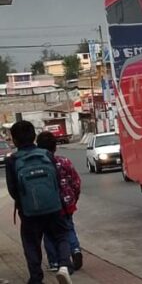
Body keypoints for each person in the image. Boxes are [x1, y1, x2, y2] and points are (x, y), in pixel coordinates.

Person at [5, 121, 73, 284]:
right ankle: (64, 265)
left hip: (29, 211)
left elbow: (12, 189)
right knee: (61, 235)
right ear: (34, 136)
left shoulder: (13, 160)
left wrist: (24, 202)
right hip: (53, 207)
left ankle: (36, 278)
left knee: (31, 243)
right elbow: (57, 180)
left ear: (14, 140)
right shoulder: (46, 155)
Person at [37, 131, 83, 273]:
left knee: (49, 233)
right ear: (55, 147)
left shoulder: (38, 164)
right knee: (68, 228)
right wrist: (73, 198)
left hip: (47, 205)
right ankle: (75, 249)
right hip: (66, 203)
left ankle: (55, 261)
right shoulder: (64, 161)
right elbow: (76, 182)